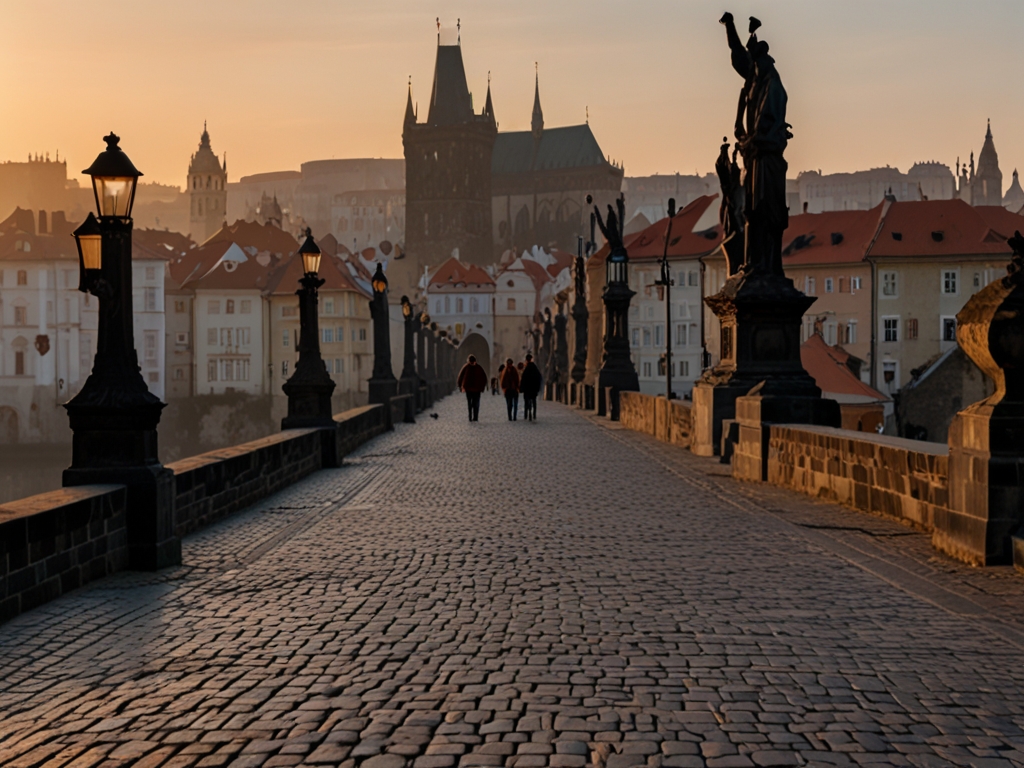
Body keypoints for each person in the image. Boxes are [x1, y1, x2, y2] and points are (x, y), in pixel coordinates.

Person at [457, 354, 488, 422]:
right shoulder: (474, 367)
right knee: (471, 403)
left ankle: (474, 417)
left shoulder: (472, 367)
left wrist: (483, 386)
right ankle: (471, 416)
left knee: (474, 403)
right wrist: (460, 385)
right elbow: (461, 377)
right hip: (470, 389)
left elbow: (484, 378)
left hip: (476, 389)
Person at [520, 353, 543, 421]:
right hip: (534, 389)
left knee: (526, 402)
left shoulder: (526, 369)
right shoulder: (534, 368)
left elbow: (523, 379)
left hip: (527, 389)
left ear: (526, 360)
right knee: (534, 401)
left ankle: (526, 414)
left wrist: (522, 388)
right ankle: (534, 414)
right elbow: (539, 377)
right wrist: (538, 387)